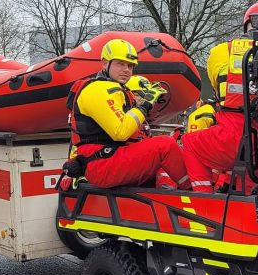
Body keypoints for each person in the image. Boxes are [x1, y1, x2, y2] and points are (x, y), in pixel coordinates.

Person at [181, 2, 258, 191]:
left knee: (189, 143)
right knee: (251, 185)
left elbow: (218, 88)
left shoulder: (220, 52)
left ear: (246, 25)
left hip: (232, 135)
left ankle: (204, 197)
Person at [64, 39, 189, 190]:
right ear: (105, 63)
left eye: (130, 66)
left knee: (166, 153)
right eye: (120, 64)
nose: (126, 70)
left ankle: (187, 189)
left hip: (108, 159)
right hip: (103, 164)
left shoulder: (114, 90)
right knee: (165, 145)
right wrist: (145, 106)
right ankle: (193, 190)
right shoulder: (97, 90)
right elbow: (120, 132)